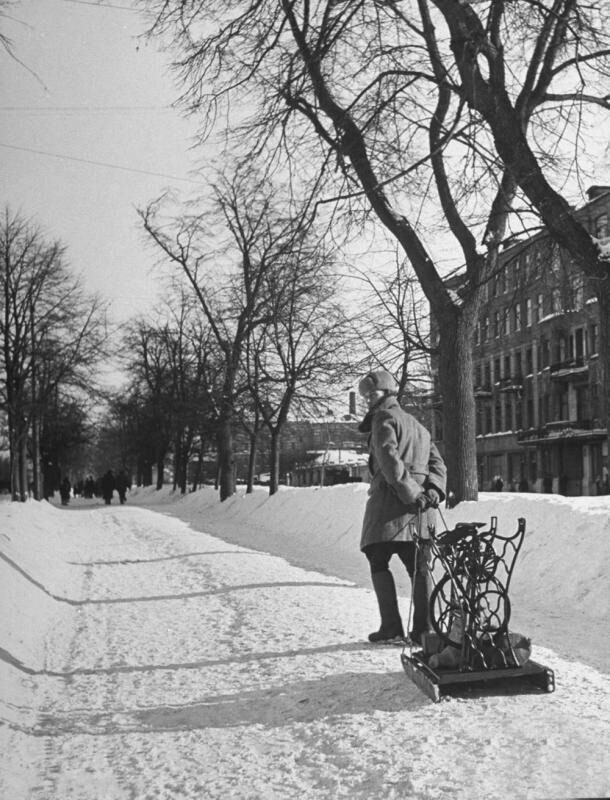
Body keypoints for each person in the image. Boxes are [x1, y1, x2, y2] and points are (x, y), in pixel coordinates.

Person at [358, 369, 447, 645]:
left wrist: (412, 494)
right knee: (419, 567)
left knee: (377, 558)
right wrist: (431, 490)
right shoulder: (418, 425)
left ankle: (391, 627)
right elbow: (438, 465)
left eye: (373, 394)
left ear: (388, 393)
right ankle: (424, 630)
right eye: (367, 396)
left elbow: (389, 461)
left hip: (390, 505)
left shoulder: (384, 417)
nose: (370, 399)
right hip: (419, 510)